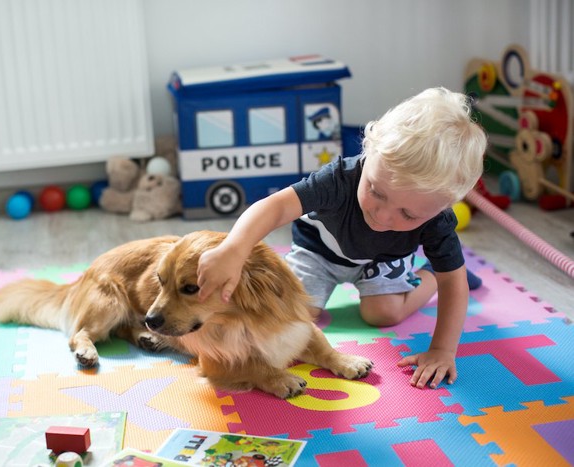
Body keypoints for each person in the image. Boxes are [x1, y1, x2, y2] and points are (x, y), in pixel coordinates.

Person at [196, 87, 487, 390]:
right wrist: (233, 249)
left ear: (443, 206)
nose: (384, 216)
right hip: (319, 252)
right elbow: (276, 206)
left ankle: (428, 276)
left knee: (384, 314)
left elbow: (453, 283)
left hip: (383, 260)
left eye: (409, 215)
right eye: (376, 192)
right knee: (294, 318)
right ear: (368, 150)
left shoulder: (438, 220)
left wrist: (442, 350)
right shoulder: (337, 179)